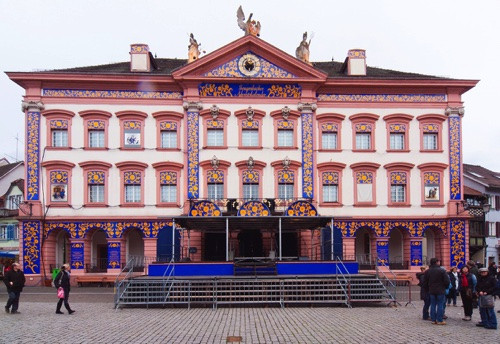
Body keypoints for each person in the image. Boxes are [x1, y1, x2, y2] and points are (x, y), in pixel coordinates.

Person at [423, 258, 450, 325]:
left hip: (431, 290)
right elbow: (447, 281)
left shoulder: (427, 271)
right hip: (440, 290)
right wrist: (445, 287)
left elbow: (425, 282)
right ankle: (439, 320)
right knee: (440, 305)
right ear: (437, 262)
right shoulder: (442, 271)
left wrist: (428, 288)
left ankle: (433, 319)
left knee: (433, 305)